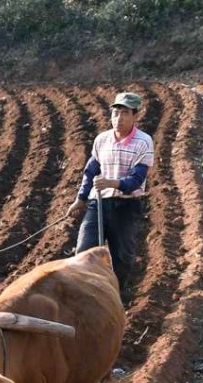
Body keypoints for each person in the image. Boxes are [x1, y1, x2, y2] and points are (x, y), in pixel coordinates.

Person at [65, 91, 155, 297]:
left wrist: (111, 182)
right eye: (115, 113)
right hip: (99, 203)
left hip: (126, 205)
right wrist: (80, 199)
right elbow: (90, 172)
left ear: (135, 116)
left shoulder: (144, 142)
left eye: (124, 113)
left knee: (122, 257)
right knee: (84, 251)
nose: (119, 119)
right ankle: (84, 296)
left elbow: (136, 180)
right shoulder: (102, 140)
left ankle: (115, 295)